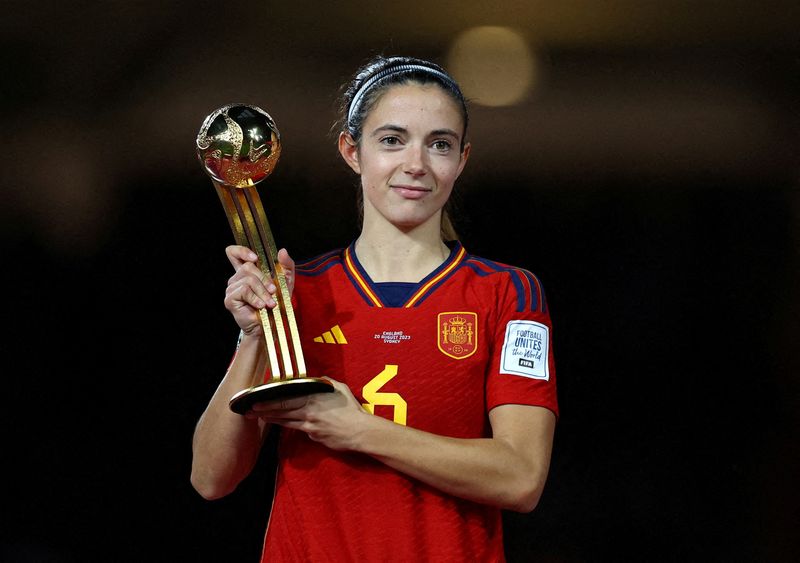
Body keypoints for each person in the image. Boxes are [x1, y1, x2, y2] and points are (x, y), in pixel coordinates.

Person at [191, 54, 559, 562]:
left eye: (440, 145)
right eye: (391, 140)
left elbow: (521, 478)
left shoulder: (507, 293)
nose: (416, 164)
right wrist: (255, 335)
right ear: (351, 149)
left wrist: (360, 429)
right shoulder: (298, 292)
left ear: (463, 159)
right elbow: (211, 477)